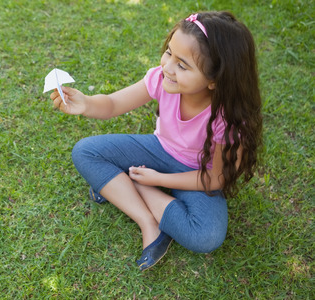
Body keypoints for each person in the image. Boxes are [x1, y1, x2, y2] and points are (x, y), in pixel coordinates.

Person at [50, 11, 262, 271]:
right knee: (85, 152)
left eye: (182, 65)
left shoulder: (227, 119)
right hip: (158, 149)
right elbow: (114, 103)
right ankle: (147, 222)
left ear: (214, 81)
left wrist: (157, 181)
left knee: (206, 236)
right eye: (169, 52)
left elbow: (216, 179)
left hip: (197, 173)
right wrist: (86, 103)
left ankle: (129, 185)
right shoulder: (162, 79)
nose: (168, 67)